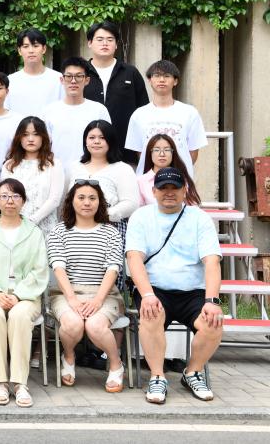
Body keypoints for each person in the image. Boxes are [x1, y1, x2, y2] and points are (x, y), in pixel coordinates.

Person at [126, 167, 223, 404]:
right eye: (163, 188)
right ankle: (157, 377)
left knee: (213, 322)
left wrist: (212, 301)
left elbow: (212, 261)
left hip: (193, 290)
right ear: (154, 191)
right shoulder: (141, 217)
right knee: (151, 314)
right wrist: (147, 294)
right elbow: (134, 258)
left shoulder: (199, 218)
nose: (169, 192)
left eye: (175, 188)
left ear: (184, 190)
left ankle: (193, 372)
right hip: (155, 289)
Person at [0, 178, 48, 408]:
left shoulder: (34, 233)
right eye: (4, 196)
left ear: (23, 201)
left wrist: (18, 295)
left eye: (16, 196)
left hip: (26, 295)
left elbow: (39, 270)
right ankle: (1, 382)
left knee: (19, 315)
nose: (10, 201)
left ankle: (19, 383)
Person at [47, 180, 126, 392]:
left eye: (92, 198)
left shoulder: (111, 233)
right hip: (66, 292)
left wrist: (98, 300)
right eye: (81, 197)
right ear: (71, 201)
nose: (87, 203)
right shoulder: (59, 231)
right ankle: (69, 356)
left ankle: (116, 364)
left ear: (100, 202)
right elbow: (58, 268)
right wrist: (72, 299)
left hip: (104, 293)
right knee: (73, 324)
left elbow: (113, 269)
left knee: (94, 326)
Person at [125, 60, 208, 178]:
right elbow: (139, 152)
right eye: (157, 75)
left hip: (181, 179)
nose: (162, 80)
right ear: (149, 80)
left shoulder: (189, 112)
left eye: (167, 76)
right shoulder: (139, 114)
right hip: (148, 180)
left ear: (175, 81)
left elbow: (193, 151)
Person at [83, 21, 149, 165]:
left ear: (116, 44)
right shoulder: (80, 73)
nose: (105, 43)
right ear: (90, 43)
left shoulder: (130, 73)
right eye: (100, 39)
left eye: (110, 39)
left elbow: (144, 111)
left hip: (126, 151)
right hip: (87, 153)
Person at [67, 121, 140, 239]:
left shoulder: (123, 169)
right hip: (75, 228)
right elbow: (65, 200)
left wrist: (101, 215)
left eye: (102, 138)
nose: (96, 141)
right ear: (85, 141)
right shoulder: (74, 167)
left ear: (111, 141)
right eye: (92, 137)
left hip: (110, 230)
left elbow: (131, 204)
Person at [42, 57, 111, 172]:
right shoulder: (49, 111)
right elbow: (44, 147)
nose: (73, 81)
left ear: (87, 80)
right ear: (62, 80)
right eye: (69, 76)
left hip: (91, 174)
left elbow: (108, 144)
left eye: (79, 76)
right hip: (57, 173)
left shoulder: (99, 110)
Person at [1, 116, 65, 237]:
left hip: (45, 230)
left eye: (36, 134)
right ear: (19, 138)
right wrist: (19, 222)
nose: (30, 139)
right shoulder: (9, 165)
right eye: (25, 135)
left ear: (43, 137)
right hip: (15, 228)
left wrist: (32, 221)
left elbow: (55, 199)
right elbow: (4, 197)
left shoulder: (54, 164)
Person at [6, 28, 63, 116]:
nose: (31, 51)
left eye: (35, 46)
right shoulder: (10, 81)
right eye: (26, 46)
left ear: (44, 49)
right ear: (19, 51)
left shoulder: (58, 79)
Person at [138, 134, 201, 206]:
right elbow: (138, 210)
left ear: (173, 153)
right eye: (157, 150)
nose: (162, 154)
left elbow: (193, 208)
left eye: (167, 150)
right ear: (150, 153)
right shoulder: (140, 181)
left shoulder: (182, 179)